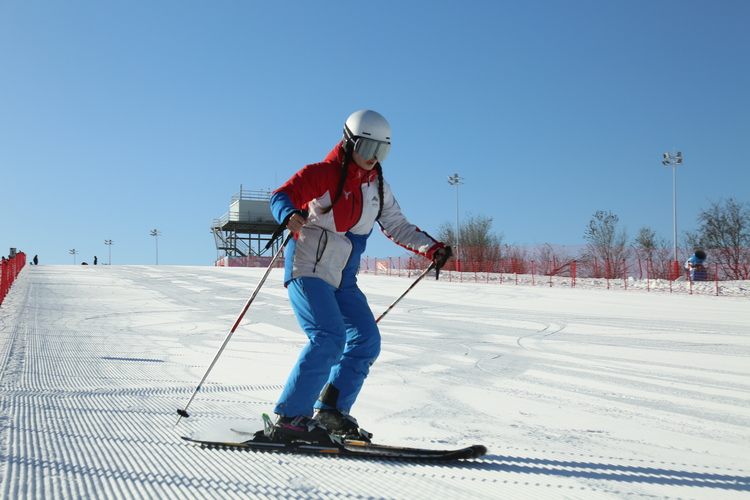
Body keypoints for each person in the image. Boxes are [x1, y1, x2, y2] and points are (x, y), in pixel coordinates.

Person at [268, 110, 452, 443]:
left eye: (382, 152)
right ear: (349, 141)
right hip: (308, 269)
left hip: (343, 280)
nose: (373, 159)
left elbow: (397, 225)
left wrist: (431, 248)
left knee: (367, 340)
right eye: (367, 148)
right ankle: (290, 418)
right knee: (329, 336)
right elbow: (282, 195)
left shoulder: (378, 186)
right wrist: (290, 214)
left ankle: (332, 411)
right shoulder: (322, 173)